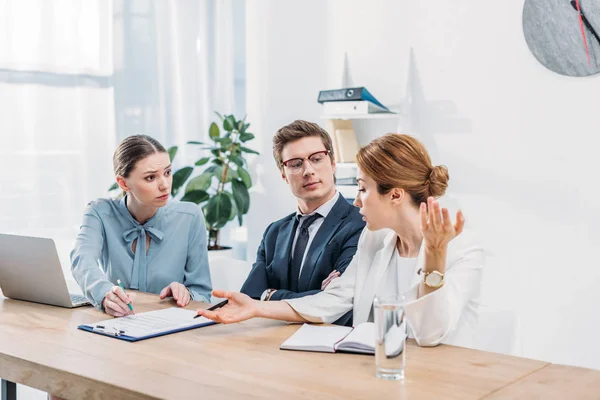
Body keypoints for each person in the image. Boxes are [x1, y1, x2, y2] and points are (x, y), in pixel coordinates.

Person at [197, 133, 484, 347]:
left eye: (362, 189)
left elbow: (430, 335)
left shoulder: (462, 247)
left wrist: (435, 256)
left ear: (395, 195)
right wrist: (257, 307)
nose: (357, 202)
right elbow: (334, 300)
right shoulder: (375, 239)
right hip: (374, 374)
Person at [71, 134, 212, 317]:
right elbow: (82, 260)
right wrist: (105, 294)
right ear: (123, 183)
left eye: (167, 173)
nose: (165, 185)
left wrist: (186, 293)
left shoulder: (190, 216)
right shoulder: (99, 213)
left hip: (170, 329)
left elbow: (203, 296)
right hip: (117, 325)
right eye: (150, 178)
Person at [240, 120, 365, 325]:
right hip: (271, 345)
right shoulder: (274, 232)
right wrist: (263, 298)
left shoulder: (360, 226)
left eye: (316, 159)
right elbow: (250, 297)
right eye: (296, 164)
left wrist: (271, 295)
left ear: (333, 164)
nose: (308, 170)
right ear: (283, 174)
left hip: (329, 346)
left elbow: (338, 306)